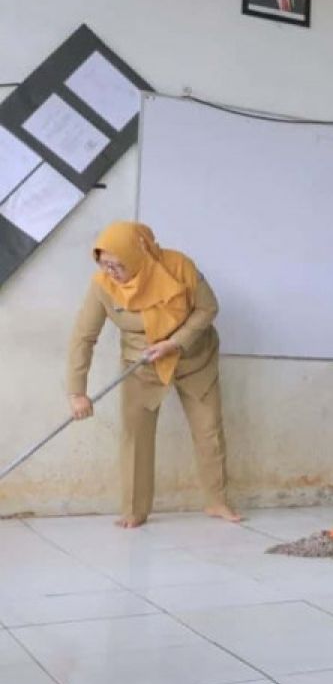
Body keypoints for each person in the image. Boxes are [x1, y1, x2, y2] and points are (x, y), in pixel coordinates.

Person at [67, 222, 242, 529]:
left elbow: (208, 308)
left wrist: (175, 342)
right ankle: (135, 510)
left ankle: (217, 502)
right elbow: (83, 337)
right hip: (142, 366)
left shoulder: (179, 266)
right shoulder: (102, 286)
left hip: (194, 359)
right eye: (104, 264)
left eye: (118, 265)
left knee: (209, 430)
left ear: (138, 255)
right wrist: (76, 392)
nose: (111, 272)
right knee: (136, 436)